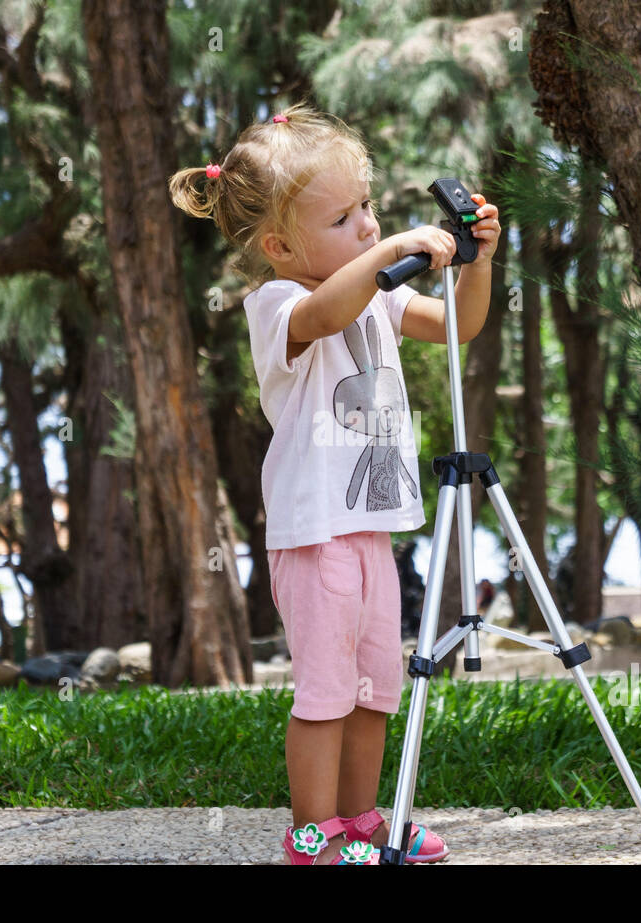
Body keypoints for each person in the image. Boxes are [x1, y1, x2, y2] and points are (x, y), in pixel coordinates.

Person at [169, 101, 500, 865]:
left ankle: (363, 820)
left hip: (369, 529)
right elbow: (325, 310)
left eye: (369, 207)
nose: (367, 227)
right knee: (324, 692)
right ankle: (309, 834)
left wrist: (476, 261)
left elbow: (461, 326)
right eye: (345, 216)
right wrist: (390, 249)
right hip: (313, 534)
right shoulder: (277, 304)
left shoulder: (379, 293)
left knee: (375, 684)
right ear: (281, 244)